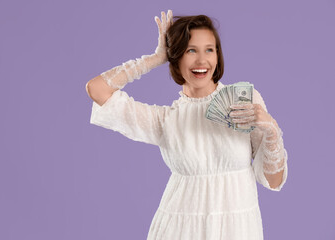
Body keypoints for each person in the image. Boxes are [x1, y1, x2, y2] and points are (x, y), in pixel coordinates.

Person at [86, 10, 288, 240]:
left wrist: (271, 130)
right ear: (177, 56)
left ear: (218, 55)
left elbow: (273, 181)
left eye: (209, 50)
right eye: (191, 50)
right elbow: (97, 89)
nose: (202, 61)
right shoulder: (165, 121)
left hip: (238, 230)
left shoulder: (244, 103)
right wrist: (154, 59)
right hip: (178, 229)